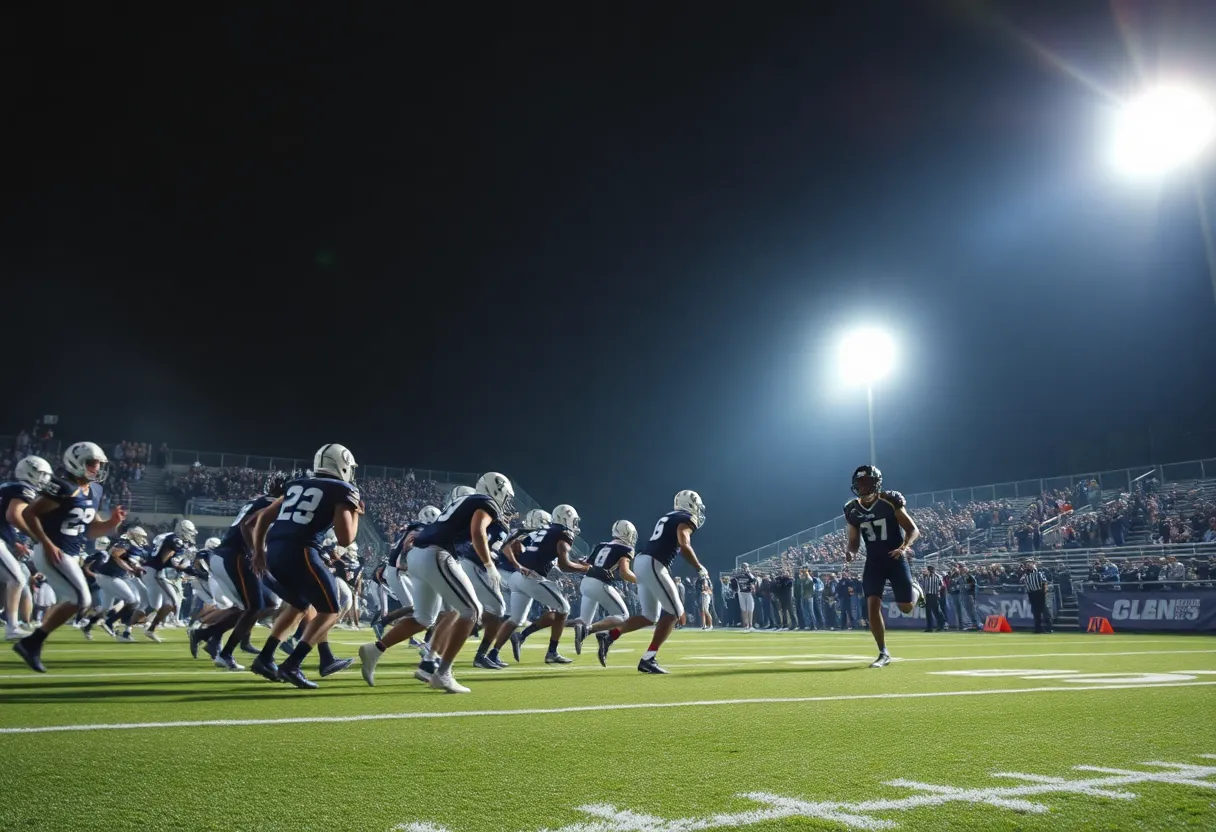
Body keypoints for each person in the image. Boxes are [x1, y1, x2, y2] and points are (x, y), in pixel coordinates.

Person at [358, 472, 512, 694]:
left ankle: (375, 649)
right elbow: (477, 531)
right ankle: (443, 673)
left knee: (424, 617)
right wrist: (489, 565)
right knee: (473, 610)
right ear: (497, 489)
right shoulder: (485, 502)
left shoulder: (462, 500)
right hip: (436, 553)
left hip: (419, 556)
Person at [249, 444, 363, 689]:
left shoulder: (297, 484)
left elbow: (263, 518)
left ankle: (265, 658)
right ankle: (292, 664)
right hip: (301, 550)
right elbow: (346, 539)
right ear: (342, 465)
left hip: (274, 550)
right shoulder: (342, 488)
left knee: (299, 604)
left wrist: (258, 551)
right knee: (332, 610)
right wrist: (356, 514)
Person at [13, 442, 127, 673]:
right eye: (91, 463)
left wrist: (112, 523)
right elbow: (29, 512)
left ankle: (32, 643)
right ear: (76, 462)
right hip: (54, 549)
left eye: (98, 463)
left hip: (71, 552)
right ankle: (30, 643)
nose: (96, 468)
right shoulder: (63, 486)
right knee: (80, 599)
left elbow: (91, 530)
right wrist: (46, 542)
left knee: (72, 599)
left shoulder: (94, 490)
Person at [592, 490, 709, 674]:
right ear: (691, 504)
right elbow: (684, 545)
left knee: (649, 616)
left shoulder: (669, 516)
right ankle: (649, 658)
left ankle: (609, 636)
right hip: (654, 563)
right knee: (674, 612)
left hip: (642, 561)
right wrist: (699, 568)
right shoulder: (686, 518)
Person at [843, 464, 922, 669]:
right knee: (872, 606)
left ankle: (916, 590)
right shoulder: (852, 508)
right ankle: (883, 652)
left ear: (876, 483)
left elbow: (913, 530)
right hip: (874, 562)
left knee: (905, 608)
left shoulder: (889, 501)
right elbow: (854, 541)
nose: (862, 486)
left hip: (895, 560)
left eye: (866, 482)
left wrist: (903, 547)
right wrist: (850, 552)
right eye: (859, 483)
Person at [493, 504, 588, 664]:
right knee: (563, 608)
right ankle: (552, 652)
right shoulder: (563, 532)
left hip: (517, 577)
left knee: (515, 619)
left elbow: (541, 555)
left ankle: (492, 653)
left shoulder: (541, 531)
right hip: (530, 577)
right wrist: (585, 568)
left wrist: (519, 565)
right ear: (567, 518)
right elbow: (565, 564)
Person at [0, 456, 53, 640]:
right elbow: (13, 515)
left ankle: (12, 625)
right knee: (16, 580)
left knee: (6, 585)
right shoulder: (23, 488)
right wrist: (35, 536)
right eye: (42, 475)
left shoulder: (7, 486)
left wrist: (12, 541)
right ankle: (12, 628)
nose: (45, 479)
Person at [570, 520, 636, 650]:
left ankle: (560, 622)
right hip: (599, 583)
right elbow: (624, 571)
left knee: (583, 619)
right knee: (623, 617)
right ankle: (587, 630)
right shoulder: (626, 548)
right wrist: (640, 580)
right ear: (627, 533)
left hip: (586, 582)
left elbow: (587, 565)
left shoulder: (601, 545)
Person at [1022, 560, 1053, 633]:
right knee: (1036, 612)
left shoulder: (1039, 573)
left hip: (1039, 592)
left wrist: (1044, 592)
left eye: (1030, 564)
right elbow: (1027, 586)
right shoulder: (1026, 576)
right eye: (1027, 565)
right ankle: (1038, 628)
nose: (1028, 566)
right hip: (1032, 593)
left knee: (1044, 610)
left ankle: (1048, 628)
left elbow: (1044, 582)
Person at [732, 562, 758, 632]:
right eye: (744, 567)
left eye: (745, 567)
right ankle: (746, 625)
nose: (744, 568)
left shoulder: (749, 574)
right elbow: (733, 580)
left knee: (750, 609)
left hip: (748, 593)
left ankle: (750, 625)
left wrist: (748, 573)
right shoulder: (739, 575)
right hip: (741, 593)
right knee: (744, 609)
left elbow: (754, 580)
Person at [919, 565, 945, 632]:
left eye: (926, 570)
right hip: (926, 595)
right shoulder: (923, 576)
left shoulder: (937, 576)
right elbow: (921, 584)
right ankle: (929, 627)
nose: (925, 571)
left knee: (936, 611)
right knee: (928, 612)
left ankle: (941, 625)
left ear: (930, 570)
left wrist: (938, 593)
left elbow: (942, 585)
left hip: (934, 595)